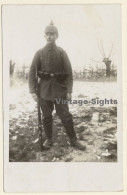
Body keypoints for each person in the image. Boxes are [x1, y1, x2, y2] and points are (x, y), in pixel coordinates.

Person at [29, 21, 86, 150]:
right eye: (47, 34)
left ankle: (73, 140)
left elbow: (69, 73)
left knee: (66, 116)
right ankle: (49, 139)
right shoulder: (39, 53)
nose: (49, 36)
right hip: (43, 91)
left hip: (60, 91)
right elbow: (32, 72)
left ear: (57, 36)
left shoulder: (62, 53)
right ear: (44, 36)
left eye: (52, 34)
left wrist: (69, 91)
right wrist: (32, 91)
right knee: (46, 117)